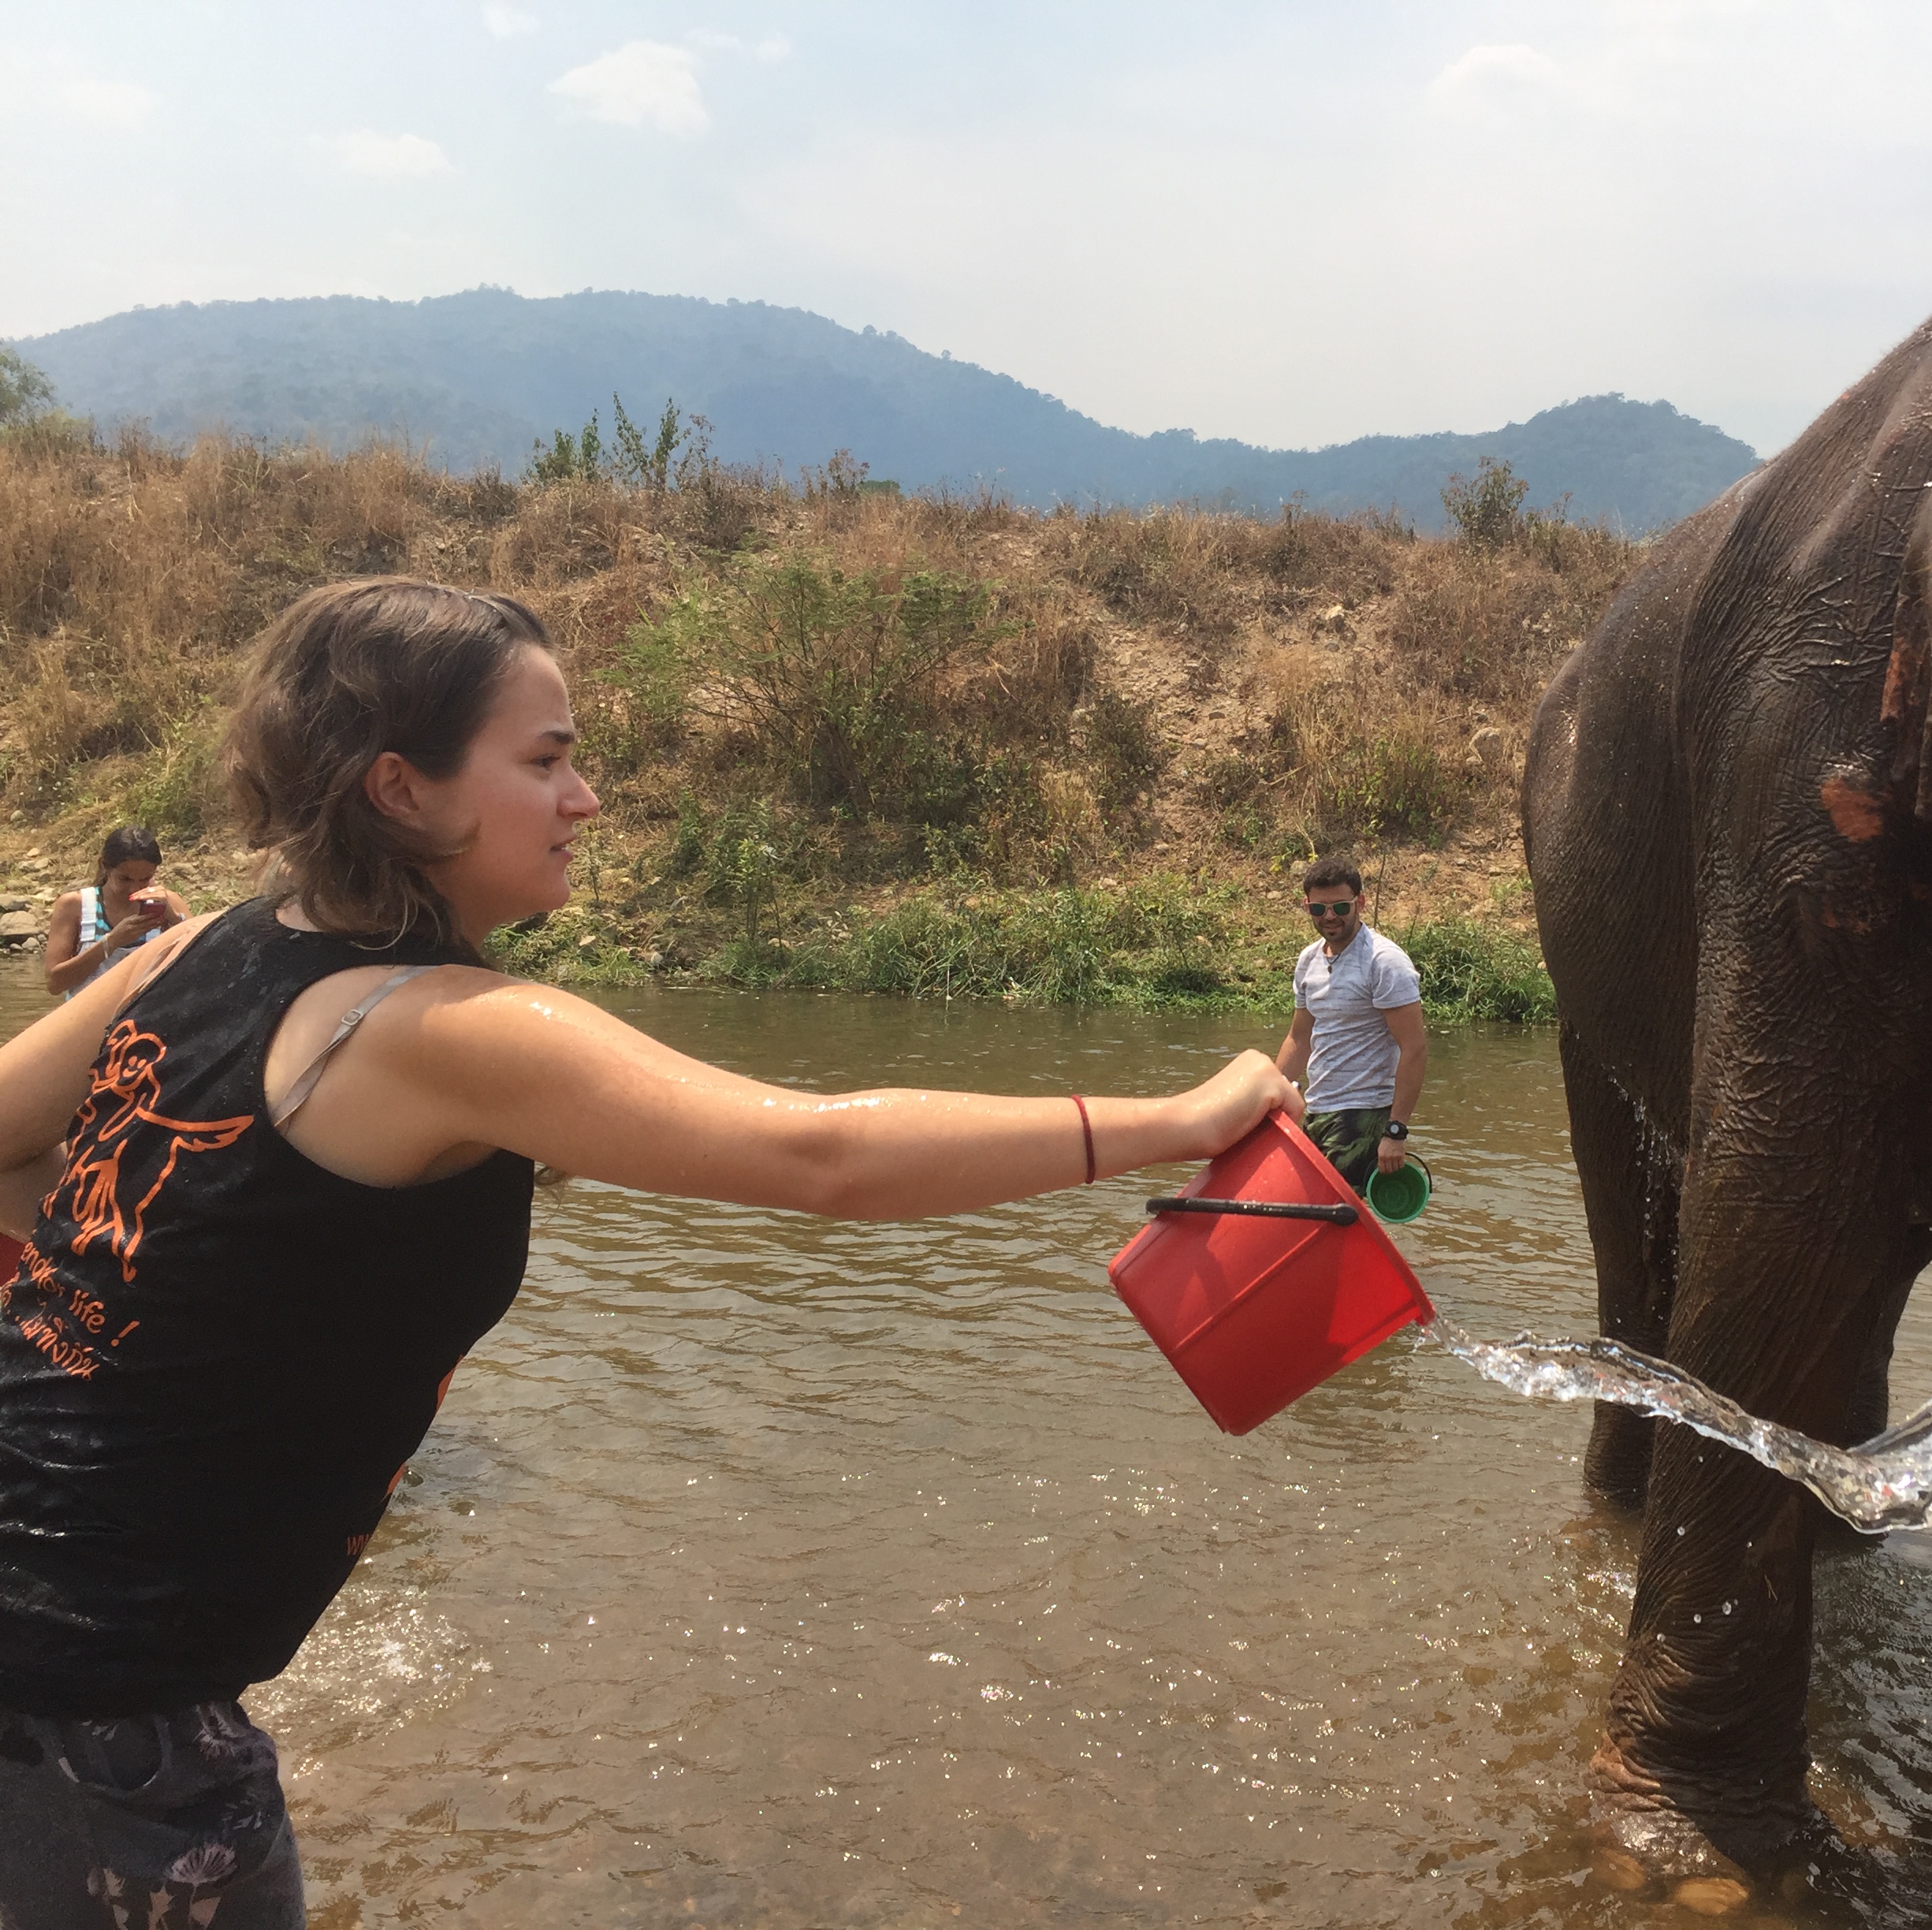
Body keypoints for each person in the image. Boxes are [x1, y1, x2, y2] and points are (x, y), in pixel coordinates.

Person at [0, 578, 1301, 1928]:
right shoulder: (448, 1026)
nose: (588, 798)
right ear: (403, 787)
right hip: (99, 1710)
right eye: (546, 760)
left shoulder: (198, 950)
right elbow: (822, 1156)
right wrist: (1179, 1121)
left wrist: (137, 1288)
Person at [1273, 857, 1426, 1194]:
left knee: (1330, 1218)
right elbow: (1299, 1038)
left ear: (1360, 903)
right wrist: (1270, 1102)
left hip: (1365, 1114)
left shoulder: (1384, 962)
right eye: (1319, 909)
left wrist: (1396, 1132)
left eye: (1340, 906)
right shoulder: (1309, 960)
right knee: (1312, 1216)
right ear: (1306, 906)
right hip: (1318, 1109)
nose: (1330, 916)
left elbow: (1414, 1049)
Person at [44, 825, 190, 1000]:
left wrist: (175, 921)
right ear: (105, 866)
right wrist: (111, 942)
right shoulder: (76, 905)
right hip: (90, 1020)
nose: (134, 888)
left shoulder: (169, 903)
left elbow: (204, 965)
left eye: (145, 879)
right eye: (124, 879)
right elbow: (54, 984)